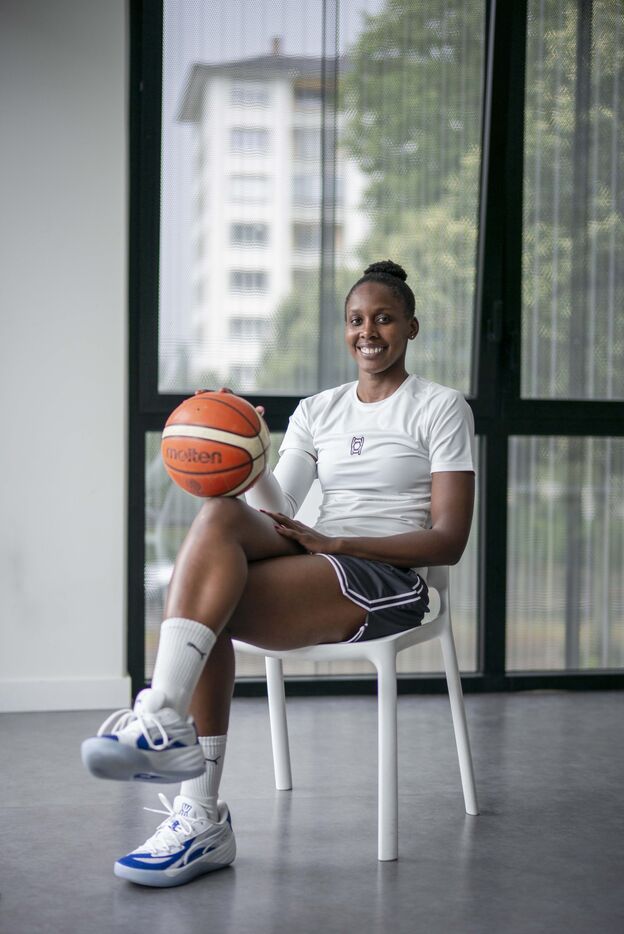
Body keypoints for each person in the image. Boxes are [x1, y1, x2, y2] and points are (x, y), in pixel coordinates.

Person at [81, 259, 476, 887]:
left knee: (211, 607)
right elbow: (280, 508)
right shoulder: (319, 410)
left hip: (393, 578)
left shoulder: (440, 407)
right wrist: (252, 454)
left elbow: (449, 541)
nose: (368, 331)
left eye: (383, 318)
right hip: (320, 558)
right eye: (356, 320)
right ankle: (168, 724)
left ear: (411, 327)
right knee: (220, 514)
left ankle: (195, 804)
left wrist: (338, 540)